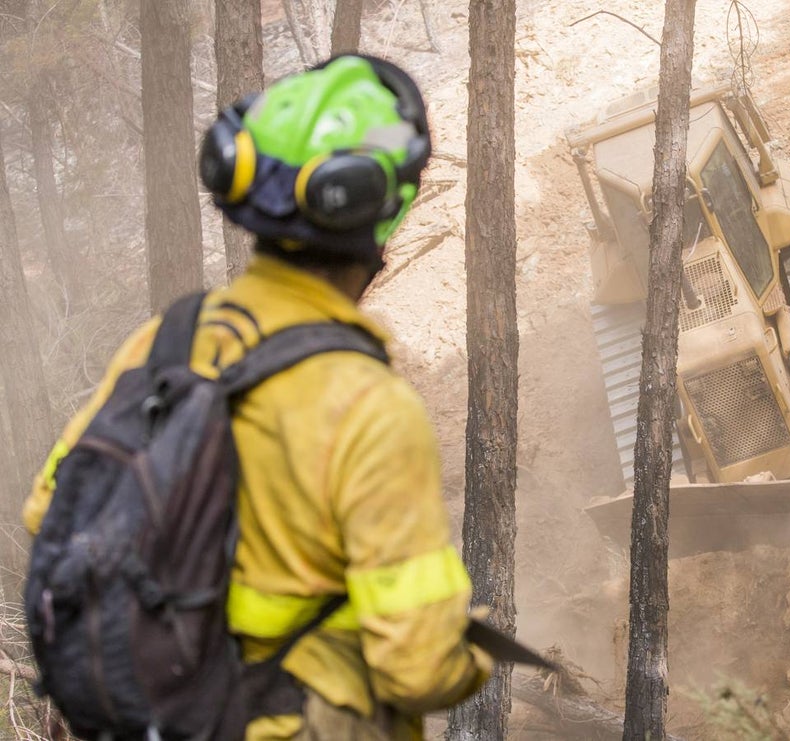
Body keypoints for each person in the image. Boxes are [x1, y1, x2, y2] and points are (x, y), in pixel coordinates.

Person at [23, 54, 491, 740]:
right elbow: (418, 668)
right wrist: (468, 654)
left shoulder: (167, 340)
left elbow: (48, 511)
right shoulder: (370, 406)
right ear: (383, 208)